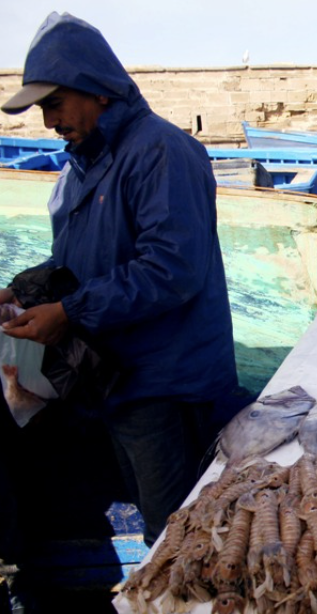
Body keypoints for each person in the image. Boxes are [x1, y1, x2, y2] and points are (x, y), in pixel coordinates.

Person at [0, 11, 237, 552]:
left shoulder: (160, 151)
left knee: (181, 537)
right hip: (116, 382)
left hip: (168, 385)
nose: (47, 122)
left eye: (54, 104)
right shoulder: (81, 165)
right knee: (160, 526)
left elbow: (171, 268)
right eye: (41, 109)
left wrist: (71, 313)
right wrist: (25, 294)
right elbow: (77, 262)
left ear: (96, 91)